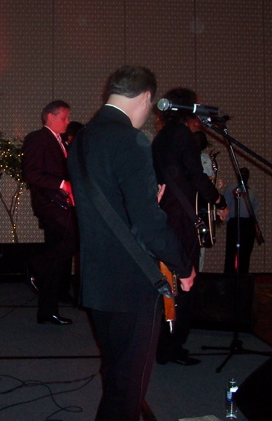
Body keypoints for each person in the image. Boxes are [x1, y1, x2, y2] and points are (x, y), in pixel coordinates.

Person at [68, 66, 195, 421]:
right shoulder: (131, 140)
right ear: (146, 97)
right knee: (128, 388)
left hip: (96, 278)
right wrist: (184, 266)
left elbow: (104, 205)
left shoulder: (82, 138)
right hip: (131, 282)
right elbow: (149, 227)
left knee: (115, 374)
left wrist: (143, 202)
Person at [151, 87, 228, 366]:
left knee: (167, 282)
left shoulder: (162, 137)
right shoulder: (183, 136)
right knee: (186, 282)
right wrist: (219, 201)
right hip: (182, 219)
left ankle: (163, 343)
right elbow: (196, 176)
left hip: (166, 215)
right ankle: (173, 346)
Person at [21, 100, 77, 325]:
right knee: (64, 248)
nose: (67, 121)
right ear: (51, 117)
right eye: (64, 117)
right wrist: (63, 184)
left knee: (60, 254)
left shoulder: (60, 140)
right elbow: (31, 174)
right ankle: (37, 265)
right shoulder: (38, 138)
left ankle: (49, 307)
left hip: (61, 205)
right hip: (51, 206)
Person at [224, 167, 259, 274]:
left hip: (248, 223)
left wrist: (254, 222)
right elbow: (226, 205)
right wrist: (229, 221)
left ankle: (243, 274)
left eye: (246, 174)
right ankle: (229, 276)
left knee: (246, 250)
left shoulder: (252, 190)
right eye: (242, 174)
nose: (244, 176)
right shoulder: (231, 188)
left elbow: (255, 208)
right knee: (231, 251)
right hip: (235, 221)